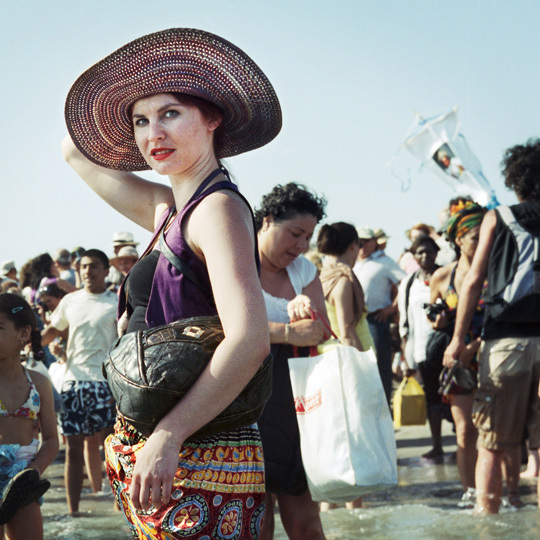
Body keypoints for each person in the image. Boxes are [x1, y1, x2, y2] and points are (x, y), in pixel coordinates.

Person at [62, 27, 280, 538]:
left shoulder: (218, 209)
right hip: (170, 451)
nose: (151, 132)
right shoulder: (169, 210)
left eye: (170, 113)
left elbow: (249, 340)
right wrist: (121, 75)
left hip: (194, 447)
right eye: (140, 120)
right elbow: (75, 153)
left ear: (212, 118)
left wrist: (169, 434)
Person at [444, 138, 540, 514]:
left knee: (492, 441)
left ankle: (487, 522)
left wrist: (456, 339)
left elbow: (473, 280)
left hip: (506, 342)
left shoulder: (498, 218)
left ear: (515, 181)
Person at [255, 183, 327, 540]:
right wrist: (286, 332)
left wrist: (307, 313)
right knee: (257, 523)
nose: (300, 246)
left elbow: (321, 331)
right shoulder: (234, 260)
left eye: (308, 237)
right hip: (244, 401)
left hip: (298, 402)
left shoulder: (304, 270)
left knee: (307, 526)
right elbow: (219, 326)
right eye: (295, 234)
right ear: (267, 221)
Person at [41, 249, 118, 514]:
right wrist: (26, 345)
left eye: (94, 266)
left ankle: (121, 510)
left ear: (106, 271)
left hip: (106, 384)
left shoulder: (116, 302)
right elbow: (52, 330)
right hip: (74, 383)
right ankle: (73, 514)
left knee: (112, 450)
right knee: (73, 449)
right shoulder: (71, 301)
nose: (88, 271)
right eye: (84, 267)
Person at [431, 202, 486, 502]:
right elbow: (435, 319)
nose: (482, 243)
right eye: (476, 237)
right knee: (465, 432)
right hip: (458, 361)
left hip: (490, 352)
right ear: (459, 239)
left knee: (495, 432)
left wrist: (476, 345)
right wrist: (438, 322)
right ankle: (471, 493)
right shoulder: (443, 276)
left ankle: (497, 490)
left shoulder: (497, 272)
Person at [316, 221, 373, 512]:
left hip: (324, 362)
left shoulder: (320, 276)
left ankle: (330, 510)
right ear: (353, 246)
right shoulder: (342, 279)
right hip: (345, 364)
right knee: (354, 444)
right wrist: (362, 372)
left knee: (334, 441)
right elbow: (348, 330)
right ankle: (355, 512)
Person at [0, 293, 59, 540]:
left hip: (21, 480)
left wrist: (32, 473)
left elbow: (52, 441)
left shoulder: (39, 384)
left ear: (23, 334)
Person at [397, 236, 441, 459]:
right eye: (420, 252)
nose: (425, 257)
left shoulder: (446, 275)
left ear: (436, 253)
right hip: (422, 349)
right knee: (432, 397)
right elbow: (404, 323)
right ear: (414, 256)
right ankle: (437, 445)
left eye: (429, 252)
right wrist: (406, 357)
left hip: (446, 346)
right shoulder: (408, 284)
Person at [354, 227, 405, 402]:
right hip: (354, 321)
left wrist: (391, 308)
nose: (362, 244)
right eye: (359, 240)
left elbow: (405, 284)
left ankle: (383, 409)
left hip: (375, 320)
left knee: (378, 366)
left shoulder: (385, 262)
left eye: (367, 240)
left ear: (375, 242)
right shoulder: (354, 262)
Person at [317, 222, 374, 352]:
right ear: (353, 245)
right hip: (351, 355)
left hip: (335, 353)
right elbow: (347, 333)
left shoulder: (323, 276)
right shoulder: (342, 281)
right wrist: (363, 367)